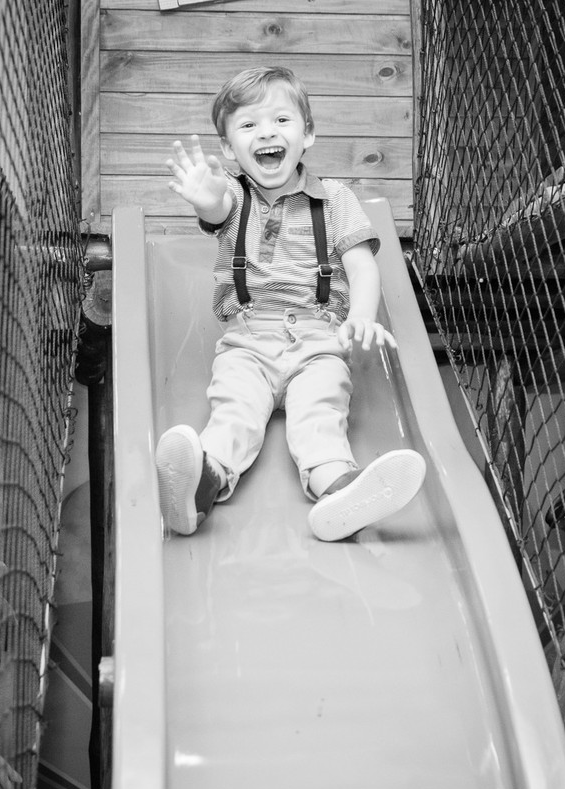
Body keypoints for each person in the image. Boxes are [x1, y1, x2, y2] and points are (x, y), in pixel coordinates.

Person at [154, 66, 425, 542]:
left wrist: (360, 318)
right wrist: (204, 199)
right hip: (248, 340)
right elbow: (216, 208)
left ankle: (339, 490)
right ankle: (200, 486)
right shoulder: (232, 194)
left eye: (281, 120)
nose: (266, 133)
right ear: (228, 148)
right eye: (248, 125)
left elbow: (362, 267)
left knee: (320, 413)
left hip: (319, 341)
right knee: (234, 410)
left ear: (308, 134)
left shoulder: (336, 199)